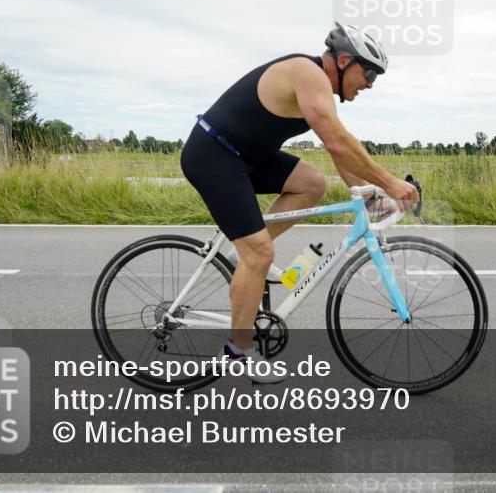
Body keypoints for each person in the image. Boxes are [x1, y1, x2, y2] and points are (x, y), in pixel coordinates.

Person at [180, 22, 420, 382]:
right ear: (342, 61)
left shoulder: (318, 85)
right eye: (369, 72)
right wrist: (390, 183)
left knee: (311, 182)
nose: (370, 83)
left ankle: (239, 257)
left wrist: (370, 198)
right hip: (214, 155)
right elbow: (339, 143)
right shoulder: (307, 73)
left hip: (247, 156)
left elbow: (338, 150)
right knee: (260, 253)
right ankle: (237, 352)